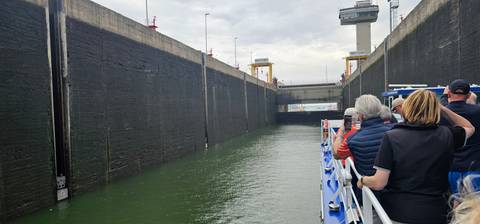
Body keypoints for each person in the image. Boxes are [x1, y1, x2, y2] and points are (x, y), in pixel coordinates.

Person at [358, 89, 475, 224]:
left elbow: (379, 183)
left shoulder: (392, 137)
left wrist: (362, 180)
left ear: (408, 107)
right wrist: (442, 108)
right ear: (435, 109)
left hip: (399, 212)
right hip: (437, 212)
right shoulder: (448, 135)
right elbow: (469, 127)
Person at [334, 95, 391, 204]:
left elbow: (336, 154)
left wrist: (340, 134)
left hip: (370, 196)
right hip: (396, 193)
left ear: (360, 115)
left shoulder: (354, 139)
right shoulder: (394, 131)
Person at [440, 80, 480, 194]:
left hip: (451, 167)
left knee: (455, 201)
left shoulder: (441, 113)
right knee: (475, 204)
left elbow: (443, 108)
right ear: (468, 95)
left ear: (449, 94)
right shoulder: (477, 111)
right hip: (475, 166)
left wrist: (443, 97)